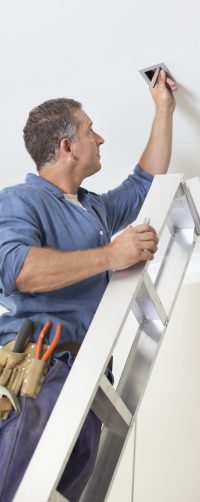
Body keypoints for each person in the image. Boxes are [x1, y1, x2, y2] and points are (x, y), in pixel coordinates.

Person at [0, 69, 177, 502]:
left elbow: (144, 184)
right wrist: (112, 256)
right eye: (90, 130)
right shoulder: (19, 200)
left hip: (88, 377)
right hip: (36, 370)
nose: (99, 140)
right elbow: (17, 268)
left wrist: (164, 108)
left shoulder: (92, 210)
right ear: (66, 146)